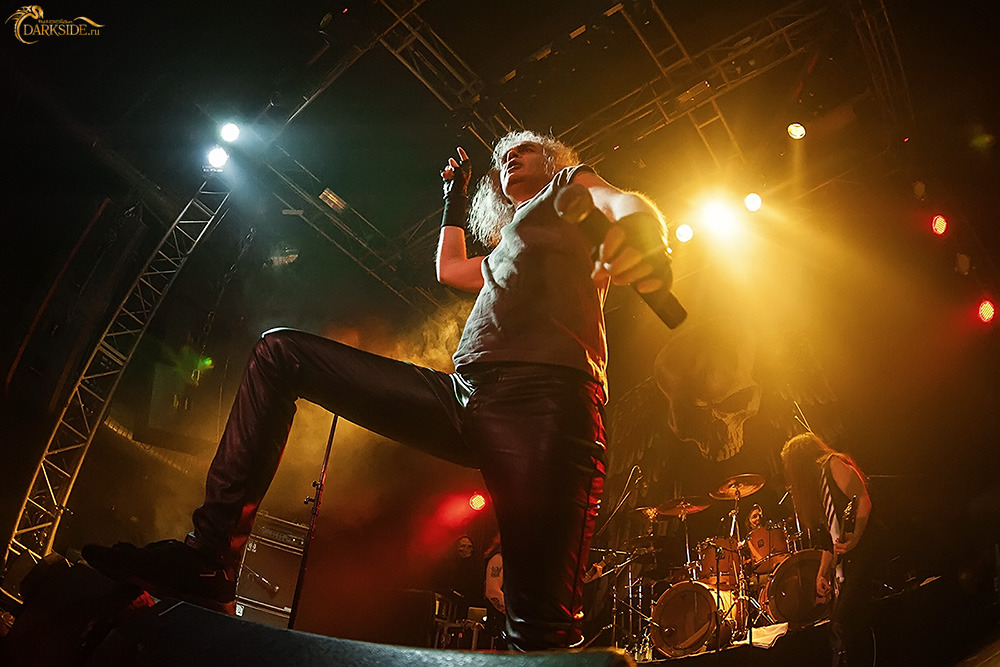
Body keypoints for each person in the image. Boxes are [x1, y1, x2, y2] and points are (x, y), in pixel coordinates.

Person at [83, 130, 673, 650]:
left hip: (544, 407)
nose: (510, 158)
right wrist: (454, 199)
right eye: (503, 157)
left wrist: (645, 237)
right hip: (464, 395)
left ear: (554, 160)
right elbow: (448, 269)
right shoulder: (509, 243)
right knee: (280, 354)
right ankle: (209, 557)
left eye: (525, 150)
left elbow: (624, 202)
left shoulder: (568, 190)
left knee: (539, 634)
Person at [781, 432, 874, 666]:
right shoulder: (817, 487)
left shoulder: (833, 464)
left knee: (842, 622)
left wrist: (856, 536)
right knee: (840, 623)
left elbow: (863, 499)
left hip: (866, 548)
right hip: (848, 559)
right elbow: (830, 540)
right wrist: (822, 573)